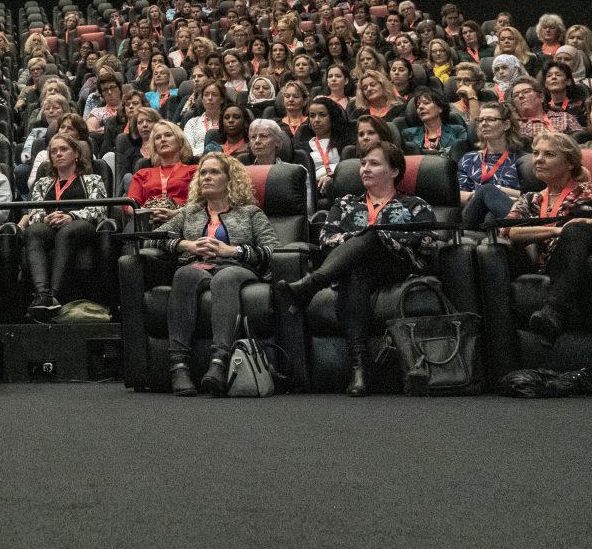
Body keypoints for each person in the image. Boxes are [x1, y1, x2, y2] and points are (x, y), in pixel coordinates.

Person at [274, 141, 438, 395]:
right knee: (356, 270)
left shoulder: (414, 205)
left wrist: (374, 238)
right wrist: (358, 244)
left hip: (398, 267)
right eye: (363, 164)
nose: (365, 169)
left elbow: (424, 241)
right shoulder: (346, 203)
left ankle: (312, 284)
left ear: (394, 171)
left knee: (372, 236)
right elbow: (326, 238)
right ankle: (359, 367)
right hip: (355, 270)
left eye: (374, 163)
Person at [504, 131, 592, 398]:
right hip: (570, 266)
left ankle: (554, 308)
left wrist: (583, 224)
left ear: (570, 162)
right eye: (536, 153)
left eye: (548, 154)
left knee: (580, 233)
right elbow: (511, 232)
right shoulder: (530, 200)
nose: (538, 160)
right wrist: (560, 231)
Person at [154, 152, 279, 396]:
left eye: (214, 172)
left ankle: (219, 362)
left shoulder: (250, 213)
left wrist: (233, 251)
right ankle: (178, 366)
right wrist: (186, 246)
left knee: (225, 277)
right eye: (203, 173)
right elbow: (154, 239)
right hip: (198, 267)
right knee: (184, 275)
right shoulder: (189, 213)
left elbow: (273, 249)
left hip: (236, 269)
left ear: (230, 179)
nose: (206, 177)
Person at [18, 133, 110, 321]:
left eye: (63, 149)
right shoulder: (43, 182)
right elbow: (33, 212)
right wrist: (45, 218)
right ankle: (43, 294)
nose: (58, 154)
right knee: (32, 232)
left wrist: (71, 216)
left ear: (76, 153)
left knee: (68, 231)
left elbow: (99, 210)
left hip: (81, 226)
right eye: (53, 151)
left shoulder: (93, 179)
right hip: (50, 225)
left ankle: (54, 295)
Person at [457, 101, 524, 229]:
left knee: (491, 216)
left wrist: (498, 193)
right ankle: (523, 230)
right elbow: (458, 195)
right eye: (480, 120)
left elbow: (530, 197)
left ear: (506, 125)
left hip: (506, 212)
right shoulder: (469, 159)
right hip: (473, 217)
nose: (483, 124)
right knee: (487, 190)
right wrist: (486, 194)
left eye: (490, 119)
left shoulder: (522, 159)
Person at [128, 120, 197, 225]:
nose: (163, 140)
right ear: (155, 146)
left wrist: (177, 213)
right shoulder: (142, 173)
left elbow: (202, 203)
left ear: (180, 141)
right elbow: (130, 206)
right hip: (146, 222)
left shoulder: (195, 170)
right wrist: (148, 214)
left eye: (168, 135)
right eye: (158, 137)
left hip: (183, 220)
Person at [400, 89, 470, 160]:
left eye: (426, 103)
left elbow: (461, 156)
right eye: (418, 105)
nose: (420, 107)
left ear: (440, 108)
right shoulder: (408, 134)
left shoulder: (457, 131)